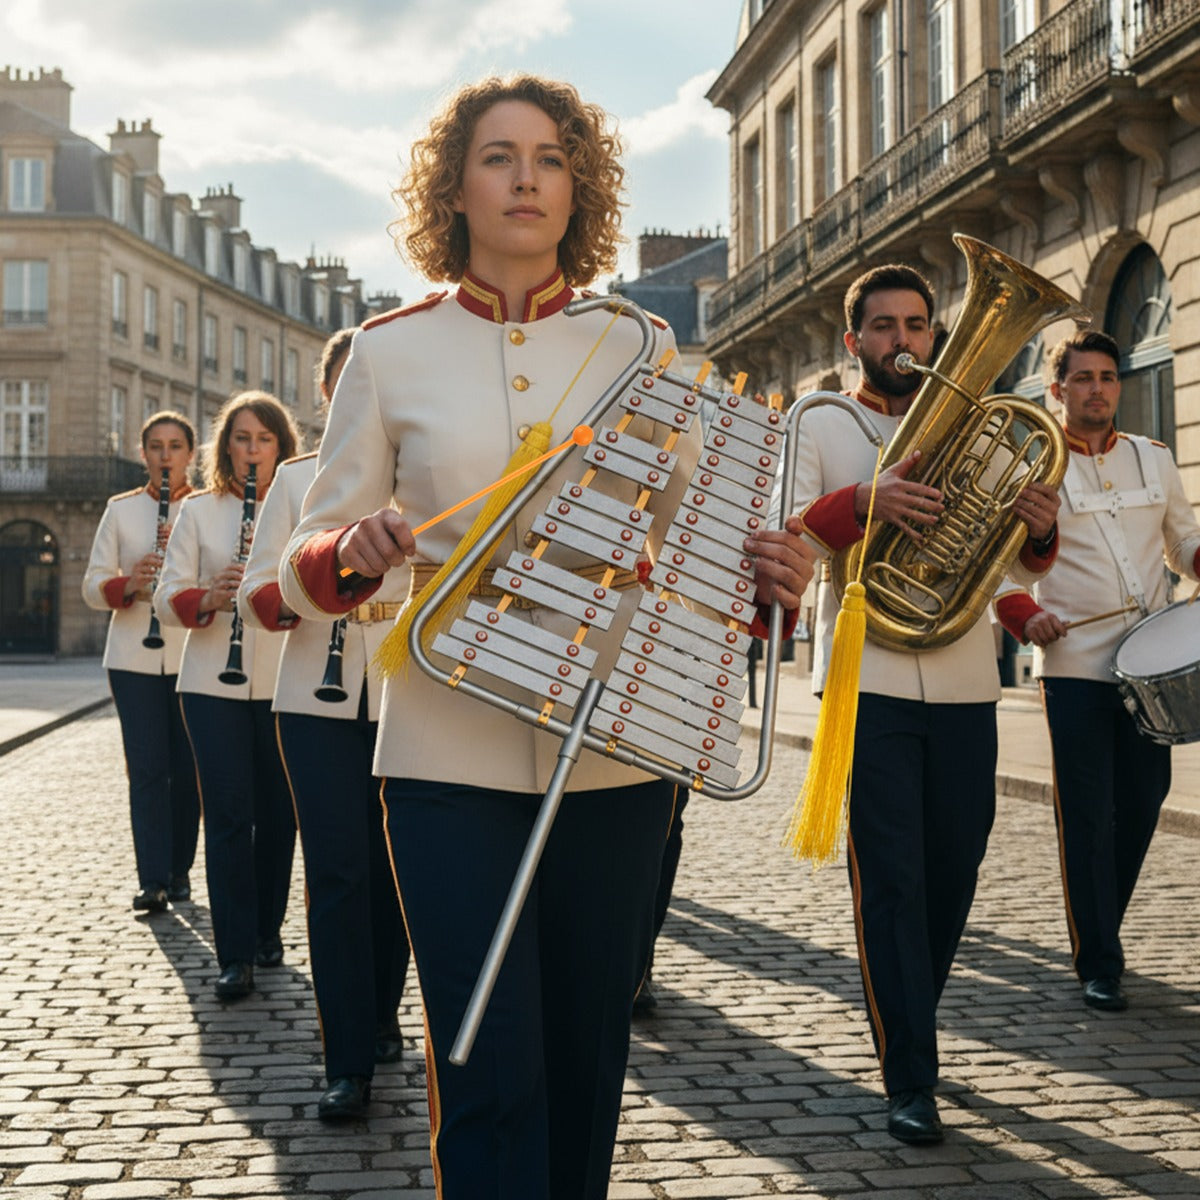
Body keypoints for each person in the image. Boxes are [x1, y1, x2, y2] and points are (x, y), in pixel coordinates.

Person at [279, 75, 815, 1198]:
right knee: (481, 1061)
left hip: (610, 750)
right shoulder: (388, 352)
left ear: (580, 189)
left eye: (552, 158)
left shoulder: (646, 348)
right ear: (455, 189)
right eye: (498, 156)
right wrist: (349, 554)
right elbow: (308, 548)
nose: (527, 177)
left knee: (586, 1057)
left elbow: (707, 549)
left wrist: (772, 571)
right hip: (442, 751)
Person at [782, 264, 1061, 1145]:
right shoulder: (824, 421)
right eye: (883, 327)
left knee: (958, 861)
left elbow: (1017, 570)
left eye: (916, 326)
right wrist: (865, 500)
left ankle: (913, 1018)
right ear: (853, 339)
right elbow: (785, 530)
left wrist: (1040, 525)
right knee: (893, 878)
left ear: (936, 337)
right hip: (868, 677)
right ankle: (911, 1072)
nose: (902, 341)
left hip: (966, 675)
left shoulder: (983, 423)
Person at [995, 329, 1200, 1012]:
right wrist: (1027, 618)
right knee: (1086, 815)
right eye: (1083, 379)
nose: (1098, 390)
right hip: (1075, 668)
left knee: (1142, 802)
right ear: (1057, 390)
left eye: (1108, 378)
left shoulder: (1153, 458)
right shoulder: (1030, 466)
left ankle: (1100, 926)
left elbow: (1182, 541)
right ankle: (1099, 959)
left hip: (1152, 671)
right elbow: (997, 571)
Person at [239, 330, 411, 1121]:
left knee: (400, 871)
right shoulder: (296, 483)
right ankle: (347, 1058)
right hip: (315, 695)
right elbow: (258, 595)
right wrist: (320, 580)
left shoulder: (426, 475)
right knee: (339, 873)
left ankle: (381, 1014)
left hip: (410, 687)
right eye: (341, 389)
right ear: (324, 400)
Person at [155, 391, 300, 1001]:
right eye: (242, 438)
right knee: (230, 815)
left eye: (264, 440)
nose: (252, 451)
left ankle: (268, 929)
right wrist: (213, 597)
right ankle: (235, 951)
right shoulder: (201, 512)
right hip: (212, 682)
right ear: (226, 446)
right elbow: (167, 595)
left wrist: (273, 594)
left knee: (279, 814)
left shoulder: (300, 508)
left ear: (281, 449)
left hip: (284, 684)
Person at [83, 411, 200, 912]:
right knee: (147, 770)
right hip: (133, 658)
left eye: (176, 446)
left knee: (188, 769)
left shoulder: (208, 508)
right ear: (143, 452)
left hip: (194, 657)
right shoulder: (121, 509)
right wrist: (128, 584)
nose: (166, 456)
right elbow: (91, 583)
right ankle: (151, 878)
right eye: (156, 446)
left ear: (191, 454)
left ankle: (179, 870)